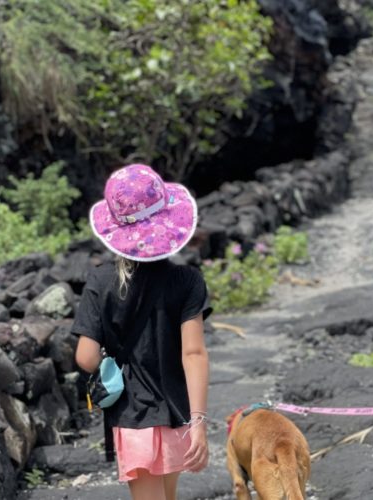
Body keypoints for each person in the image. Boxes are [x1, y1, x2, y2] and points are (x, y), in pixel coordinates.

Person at [74, 164, 211, 500]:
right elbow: (193, 353)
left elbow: (86, 358)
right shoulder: (187, 280)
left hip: (132, 415)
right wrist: (199, 421)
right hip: (178, 411)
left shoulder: (100, 281)